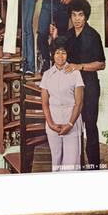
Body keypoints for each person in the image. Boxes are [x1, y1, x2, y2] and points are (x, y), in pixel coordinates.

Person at [50, 0, 106, 170]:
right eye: (74, 15)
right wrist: (54, 38)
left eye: (80, 15)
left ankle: (94, 166)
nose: (77, 19)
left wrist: (80, 66)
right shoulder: (67, 35)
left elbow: (101, 64)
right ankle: (76, 167)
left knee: (90, 126)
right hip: (71, 89)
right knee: (72, 128)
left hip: (89, 87)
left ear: (86, 16)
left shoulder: (93, 35)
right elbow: (58, 53)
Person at [40, 37, 84, 171]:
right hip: (53, 123)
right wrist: (51, 124)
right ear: (53, 54)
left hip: (72, 123)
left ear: (67, 54)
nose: (60, 56)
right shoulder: (47, 75)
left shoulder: (75, 73)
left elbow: (79, 103)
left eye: (63, 52)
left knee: (71, 165)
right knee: (56, 162)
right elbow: (45, 104)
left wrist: (70, 124)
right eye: (57, 52)